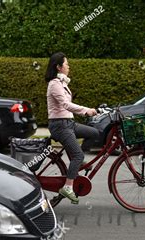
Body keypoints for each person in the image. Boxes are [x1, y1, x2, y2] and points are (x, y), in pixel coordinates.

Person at [45, 52, 99, 204]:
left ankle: (77, 160)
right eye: (66, 64)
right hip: (60, 125)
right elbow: (66, 105)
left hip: (69, 123)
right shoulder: (54, 84)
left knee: (94, 133)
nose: (69, 66)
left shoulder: (62, 83)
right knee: (78, 156)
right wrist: (86, 110)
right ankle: (68, 187)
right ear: (59, 67)